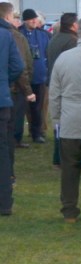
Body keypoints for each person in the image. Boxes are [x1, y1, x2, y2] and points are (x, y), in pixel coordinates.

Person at [48, 16, 81, 223]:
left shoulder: (64, 58)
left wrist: (56, 119)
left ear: (78, 33)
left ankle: (69, 209)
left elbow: (54, 93)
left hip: (69, 119)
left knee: (69, 168)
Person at [0, 3, 34, 165]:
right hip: (10, 91)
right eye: (14, 17)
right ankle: (8, 175)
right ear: (8, 17)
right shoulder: (13, 36)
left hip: (8, 88)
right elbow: (20, 66)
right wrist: (26, 89)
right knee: (7, 135)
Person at [0, 19, 25, 216]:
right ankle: (4, 202)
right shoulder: (6, 35)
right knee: (3, 151)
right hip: (2, 100)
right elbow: (17, 66)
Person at [47, 12, 79, 167]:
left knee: (58, 121)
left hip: (53, 82)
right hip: (66, 84)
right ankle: (62, 157)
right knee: (67, 123)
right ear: (74, 25)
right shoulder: (72, 41)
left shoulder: (55, 39)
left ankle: (57, 157)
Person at [19, 8, 50, 144]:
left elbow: (47, 53)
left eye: (35, 18)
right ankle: (17, 135)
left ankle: (37, 133)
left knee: (37, 107)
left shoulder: (43, 35)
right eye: (31, 18)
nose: (33, 21)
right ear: (25, 20)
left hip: (39, 76)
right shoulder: (19, 34)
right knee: (21, 107)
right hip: (22, 77)